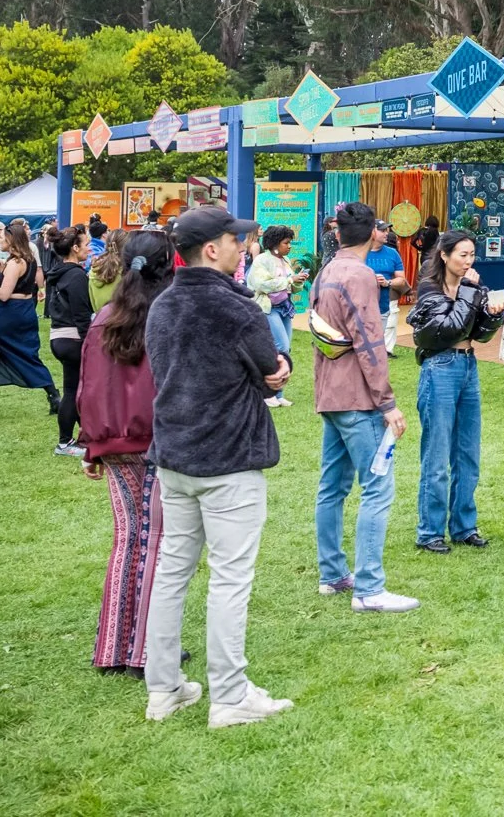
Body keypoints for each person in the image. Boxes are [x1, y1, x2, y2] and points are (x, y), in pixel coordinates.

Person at [141, 205, 293, 727]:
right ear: (212, 249)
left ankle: (162, 688)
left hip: (175, 457)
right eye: (236, 240)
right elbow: (271, 370)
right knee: (229, 577)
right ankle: (229, 695)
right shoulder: (237, 309)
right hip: (226, 459)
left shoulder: (161, 306)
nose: (243, 247)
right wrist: (280, 371)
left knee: (171, 573)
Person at [309, 201, 415, 611]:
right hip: (357, 398)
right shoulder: (360, 275)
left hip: (330, 395)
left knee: (332, 487)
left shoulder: (326, 271)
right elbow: (370, 342)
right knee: (377, 487)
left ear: (338, 233)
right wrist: (387, 403)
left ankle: (332, 573)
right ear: (374, 233)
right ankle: (369, 589)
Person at [78, 230, 173, 674]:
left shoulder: (105, 317)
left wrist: (92, 445)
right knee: (154, 540)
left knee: (129, 539)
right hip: (156, 440)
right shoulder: (167, 315)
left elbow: (88, 387)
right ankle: (143, 650)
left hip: (114, 441)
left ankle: (114, 647)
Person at [406, 230, 504, 554]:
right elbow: (447, 330)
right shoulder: (429, 289)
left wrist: (493, 315)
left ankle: (463, 526)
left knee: (468, 452)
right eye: (462, 254)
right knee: (436, 454)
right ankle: (429, 531)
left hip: (468, 366)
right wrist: (468, 293)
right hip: (440, 368)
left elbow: (477, 333)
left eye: (472, 254)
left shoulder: (471, 288)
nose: (468, 261)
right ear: (445, 256)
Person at [0, 220, 60, 420]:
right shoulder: (28, 259)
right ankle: (54, 395)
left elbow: (3, 294)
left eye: (3, 239)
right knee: (26, 355)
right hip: (24, 311)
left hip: (8, 313)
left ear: (11, 241)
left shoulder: (15, 263)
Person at [46, 225, 96, 457]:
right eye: (86, 245)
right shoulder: (76, 275)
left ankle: (83, 435)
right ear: (75, 248)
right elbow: (81, 314)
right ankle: (64, 442)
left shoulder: (59, 272)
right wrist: (90, 343)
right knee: (72, 391)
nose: (89, 249)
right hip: (73, 338)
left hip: (59, 336)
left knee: (74, 390)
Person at [246, 226, 302, 410]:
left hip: (284, 308)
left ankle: (279, 394)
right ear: (275, 243)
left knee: (286, 349)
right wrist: (289, 280)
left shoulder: (284, 260)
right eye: (286, 243)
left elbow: (289, 285)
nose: (289, 246)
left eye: (290, 242)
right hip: (268, 308)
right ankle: (268, 393)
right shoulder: (262, 260)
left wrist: (297, 282)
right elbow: (261, 284)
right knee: (280, 347)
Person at [365, 222, 408, 344]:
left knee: (376, 344)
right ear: (373, 232)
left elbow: (401, 279)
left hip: (382, 307)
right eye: (383, 231)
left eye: (387, 230)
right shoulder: (360, 251)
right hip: (361, 308)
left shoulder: (393, 253)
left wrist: (387, 282)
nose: (386, 233)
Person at [89, 229, 129, 311]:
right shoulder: (127, 273)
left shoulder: (94, 270)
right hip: (123, 321)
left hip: (100, 320)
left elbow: (92, 302)